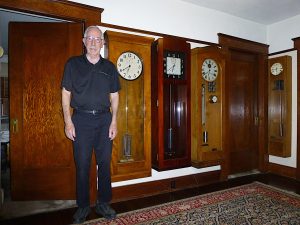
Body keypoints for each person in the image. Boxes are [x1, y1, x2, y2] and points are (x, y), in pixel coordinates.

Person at [61, 26, 121, 224]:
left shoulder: (110, 68)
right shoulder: (72, 64)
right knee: (83, 165)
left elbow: (115, 96)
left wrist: (114, 121)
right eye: (90, 38)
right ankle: (83, 206)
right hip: (81, 120)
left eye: (98, 39)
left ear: (102, 43)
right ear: (83, 41)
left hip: (104, 120)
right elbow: (66, 94)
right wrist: (68, 121)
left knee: (104, 164)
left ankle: (103, 203)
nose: (94, 42)